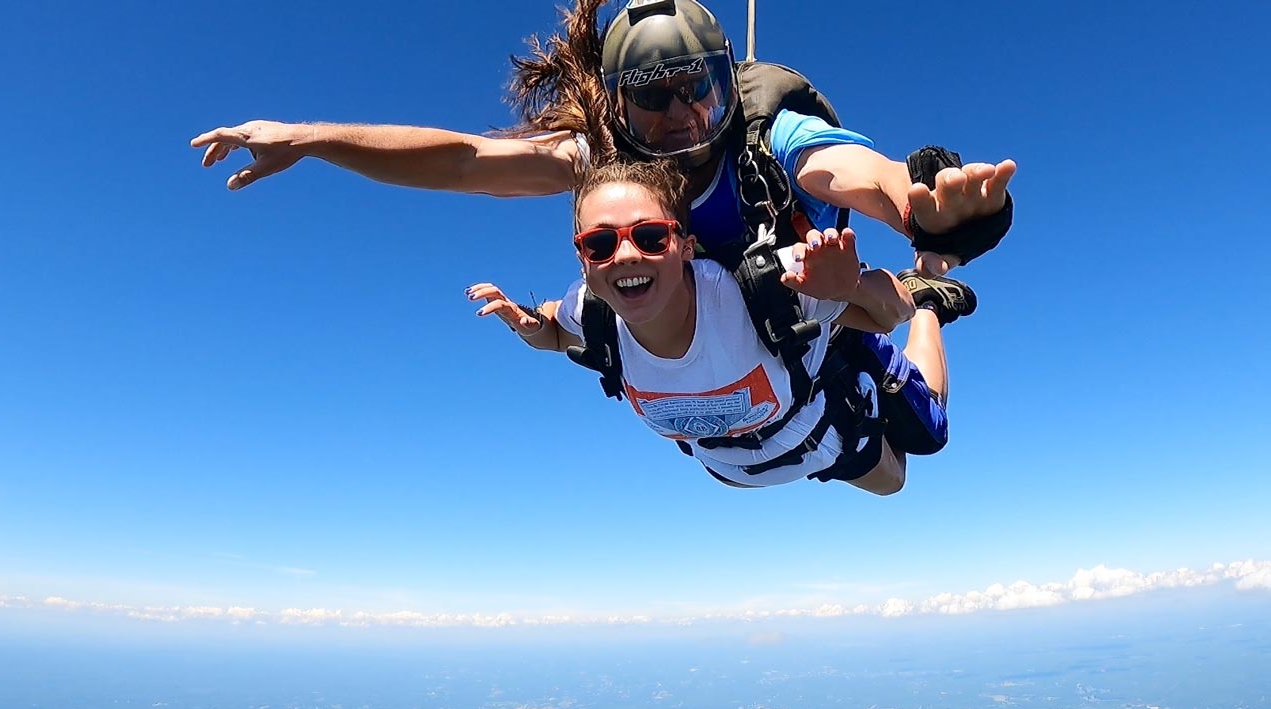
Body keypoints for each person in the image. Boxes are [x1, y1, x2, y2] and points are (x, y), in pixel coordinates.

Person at [191, 0, 1014, 309]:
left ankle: (925, 277)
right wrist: (308, 138)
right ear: (619, 104)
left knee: (892, 454)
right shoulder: (605, 160)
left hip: (808, 297)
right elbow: (461, 162)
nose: (684, 113)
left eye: (701, 89)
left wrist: (918, 205)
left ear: (729, 86)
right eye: (653, 95)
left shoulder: (772, 137)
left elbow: (847, 173)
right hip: (722, 314)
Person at [468, 156, 972, 493]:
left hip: (827, 424)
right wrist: (526, 325)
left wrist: (853, 289)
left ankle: (936, 303)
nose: (623, 255)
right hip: (743, 463)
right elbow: (557, 330)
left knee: (921, 447)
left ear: (686, 245)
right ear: (582, 260)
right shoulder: (593, 309)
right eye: (598, 244)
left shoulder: (763, 286)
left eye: (649, 236)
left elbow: (892, 309)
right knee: (893, 480)